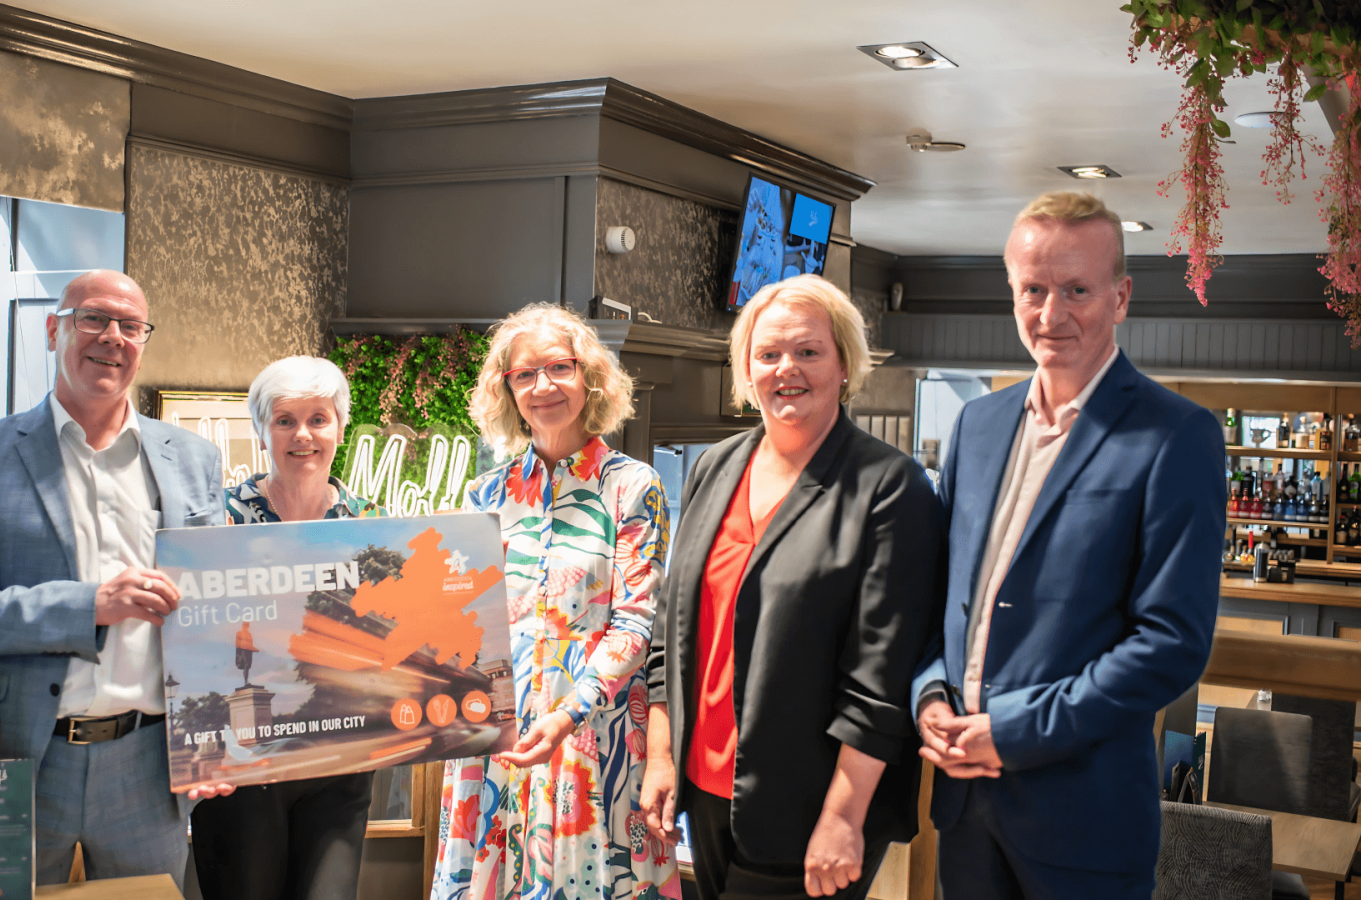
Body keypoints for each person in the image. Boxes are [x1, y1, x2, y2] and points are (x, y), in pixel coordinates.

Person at [911, 192, 1225, 899]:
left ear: (1121, 297)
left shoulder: (1177, 436)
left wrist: (1011, 731)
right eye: (1033, 290)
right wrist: (929, 695)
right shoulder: (978, 425)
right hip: (963, 811)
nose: (1051, 315)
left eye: (1077, 290)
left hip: (1084, 824)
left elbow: (1171, 643)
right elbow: (943, 600)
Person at [0, 270, 233, 889]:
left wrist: (214, 739)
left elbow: (217, 614)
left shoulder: (193, 459)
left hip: (149, 764)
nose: (112, 337)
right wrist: (90, 604)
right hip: (19, 757)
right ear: (52, 329)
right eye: (93, 318)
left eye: (130, 326)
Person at [641, 274, 944, 900]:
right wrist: (663, 755)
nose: (788, 369)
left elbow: (882, 681)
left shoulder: (890, 487)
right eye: (769, 353)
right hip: (706, 792)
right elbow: (673, 627)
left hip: (811, 806)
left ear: (843, 366)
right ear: (746, 370)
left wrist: (842, 817)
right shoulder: (715, 466)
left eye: (809, 351)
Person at [431, 303, 682, 900]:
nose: (542, 386)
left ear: (589, 377)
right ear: (507, 388)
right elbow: (464, 623)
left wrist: (568, 713)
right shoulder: (483, 494)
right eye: (524, 374)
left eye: (559, 368)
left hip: (591, 734)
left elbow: (636, 618)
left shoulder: (632, 486)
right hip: (496, 736)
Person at [190, 355, 383, 900]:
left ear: (340, 429)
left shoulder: (374, 524)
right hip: (244, 771)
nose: (303, 435)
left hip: (341, 764)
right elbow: (194, 637)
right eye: (284, 420)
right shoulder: (218, 518)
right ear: (261, 431)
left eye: (319, 419)